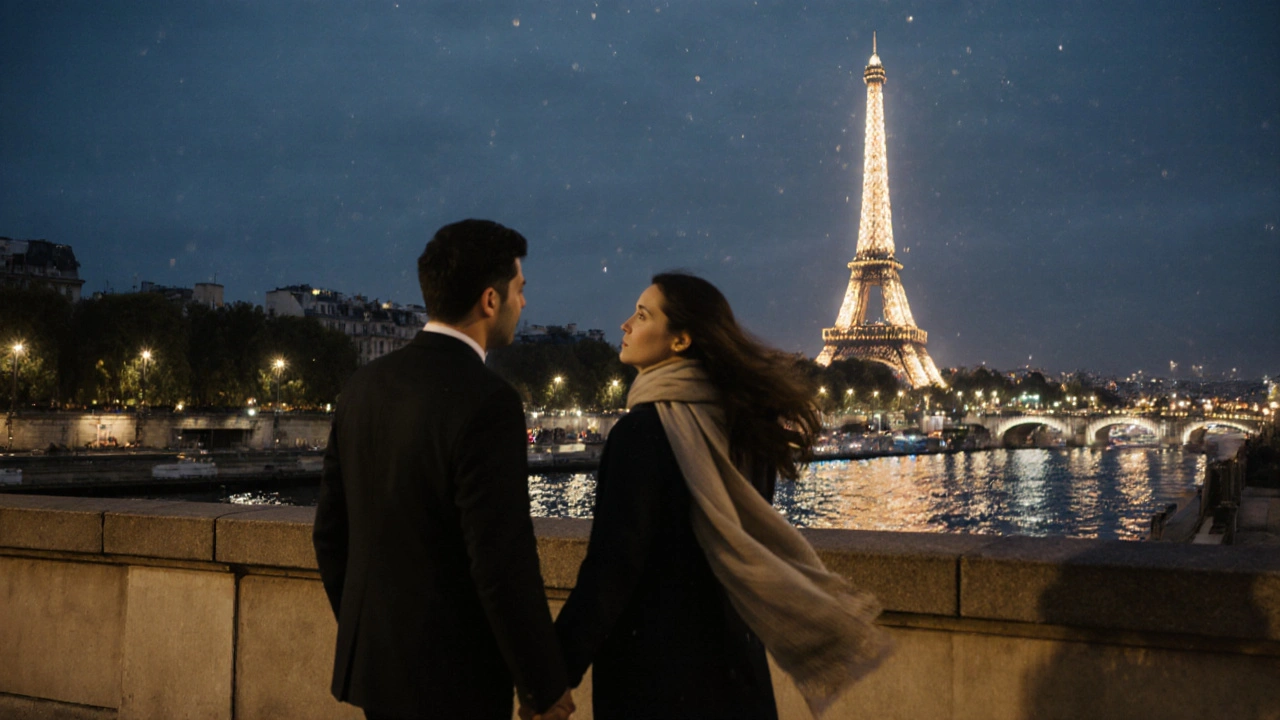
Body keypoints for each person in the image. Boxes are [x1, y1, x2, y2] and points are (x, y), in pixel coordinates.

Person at [555, 272, 892, 720]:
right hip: (735, 678)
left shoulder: (641, 433)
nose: (625, 325)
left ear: (680, 341)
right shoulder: (748, 430)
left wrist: (554, 674)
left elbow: (610, 571)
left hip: (656, 683)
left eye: (642, 315)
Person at [313, 219, 575, 720]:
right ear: (490, 300)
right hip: (456, 680)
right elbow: (502, 562)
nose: (525, 304)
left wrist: (374, 637)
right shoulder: (489, 402)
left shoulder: (362, 386)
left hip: (378, 674)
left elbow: (330, 535)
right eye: (520, 290)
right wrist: (542, 685)